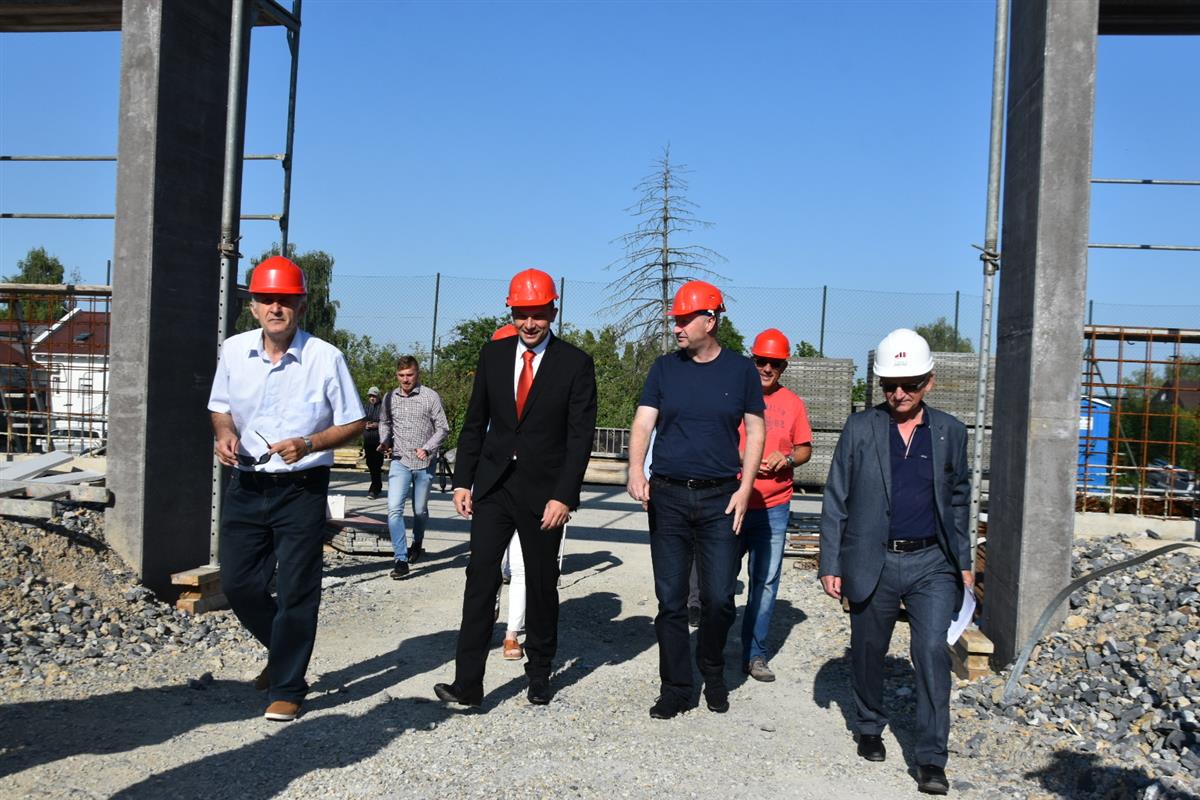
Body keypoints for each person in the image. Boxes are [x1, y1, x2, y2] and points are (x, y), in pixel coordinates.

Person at [208, 255, 365, 722]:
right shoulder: (234, 350)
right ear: (253, 306)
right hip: (247, 483)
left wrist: (309, 443)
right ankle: (282, 654)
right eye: (266, 299)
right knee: (238, 583)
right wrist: (224, 433)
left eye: (286, 300)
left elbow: (355, 422)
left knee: (297, 588)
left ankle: (288, 687)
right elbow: (220, 406)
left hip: (302, 488)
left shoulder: (325, 358)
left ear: (301, 305)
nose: (275, 308)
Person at [818, 328, 972, 796]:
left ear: (929, 382)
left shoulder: (950, 432)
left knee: (931, 651)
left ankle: (931, 758)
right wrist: (831, 561)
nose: (899, 394)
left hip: (932, 562)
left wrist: (963, 560)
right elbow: (836, 496)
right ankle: (869, 724)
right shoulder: (860, 429)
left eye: (909, 385)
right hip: (873, 559)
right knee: (868, 648)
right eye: (890, 385)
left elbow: (959, 500)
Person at [435, 268, 597, 708]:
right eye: (521, 313)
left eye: (538, 314)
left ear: (553, 312)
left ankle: (539, 672)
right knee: (479, 579)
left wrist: (564, 496)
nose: (529, 323)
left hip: (545, 496)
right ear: (511, 312)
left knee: (542, 583)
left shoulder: (575, 363)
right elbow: (474, 423)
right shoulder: (493, 355)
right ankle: (467, 684)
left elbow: (580, 437)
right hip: (493, 488)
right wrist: (463, 481)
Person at [627, 280, 765, 720]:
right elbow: (643, 422)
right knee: (670, 600)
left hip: (720, 498)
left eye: (685, 320)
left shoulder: (741, 371)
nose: (678, 329)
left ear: (711, 320)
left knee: (720, 597)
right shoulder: (664, 369)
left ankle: (712, 667)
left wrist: (745, 488)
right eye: (676, 321)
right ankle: (676, 687)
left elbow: (756, 430)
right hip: (668, 495)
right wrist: (635, 470)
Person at [738, 328, 812, 682]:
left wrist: (788, 459)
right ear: (752, 360)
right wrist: (742, 459)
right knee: (719, 583)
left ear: (784, 366)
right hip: (734, 501)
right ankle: (711, 647)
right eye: (761, 361)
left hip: (774, 506)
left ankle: (754, 654)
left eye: (775, 363)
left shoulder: (793, 404)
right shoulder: (734, 397)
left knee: (765, 583)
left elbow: (804, 448)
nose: (767, 368)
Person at [377, 355, 449, 579]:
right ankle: (400, 559)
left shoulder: (430, 397)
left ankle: (417, 542)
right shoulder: (389, 398)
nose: (405, 379)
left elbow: (443, 428)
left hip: (425, 463)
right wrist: (384, 441)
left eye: (409, 375)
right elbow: (385, 422)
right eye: (401, 375)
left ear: (417, 374)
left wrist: (427, 448)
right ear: (396, 375)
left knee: (419, 510)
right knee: (394, 510)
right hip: (400, 461)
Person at [490, 323, 527, 662]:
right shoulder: (490, 389)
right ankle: (489, 613)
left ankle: (512, 633)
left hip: (530, 488)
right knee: (489, 563)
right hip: (492, 489)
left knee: (520, 565)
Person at [362, 386, 384, 499]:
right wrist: (364, 424)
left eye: (374, 396)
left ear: (378, 396)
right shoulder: (366, 407)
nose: (372, 398)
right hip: (368, 440)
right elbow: (361, 420)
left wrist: (377, 425)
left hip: (378, 440)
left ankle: (374, 489)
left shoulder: (383, 408)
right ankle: (377, 485)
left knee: (377, 464)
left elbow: (387, 422)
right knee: (370, 464)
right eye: (370, 396)